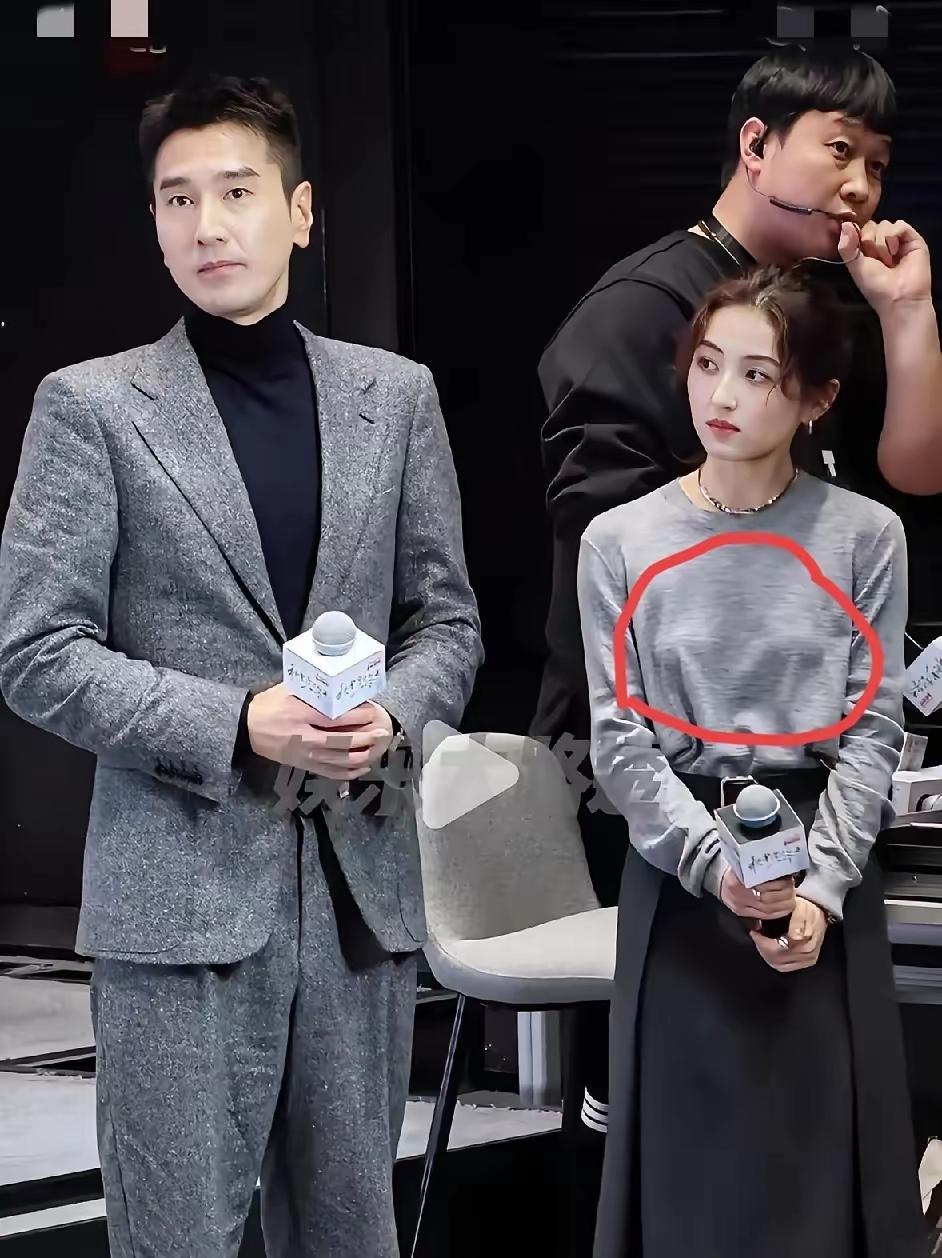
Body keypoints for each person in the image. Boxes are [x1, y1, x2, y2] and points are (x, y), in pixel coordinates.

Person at [0, 73, 482, 1258]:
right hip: (176, 891)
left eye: (236, 192)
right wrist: (236, 721)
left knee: (352, 1234)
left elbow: (448, 621)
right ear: (155, 223)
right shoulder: (91, 407)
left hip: (359, 891)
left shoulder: (395, 398)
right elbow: (37, 651)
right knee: (175, 1236)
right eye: (179, 200)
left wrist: (395, 714)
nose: (207, 224)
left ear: (300, 211)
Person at [531, 43, 942, 1246]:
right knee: (669, 1115)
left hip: (811, 779)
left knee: (820, 1128)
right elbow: (607, 541)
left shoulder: (827, 317)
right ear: (756, 145)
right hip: (659, 761)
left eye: (878, 163)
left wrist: (906, 314)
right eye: (838, 150)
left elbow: (912, 475)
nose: (861, 185)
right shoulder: (640, 307)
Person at [576, 264, 927, 1258]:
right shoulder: (618, 541)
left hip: (824, 863)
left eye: (758, 374)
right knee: (687, 1188)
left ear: (816, 398)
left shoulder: (868, 537)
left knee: (821, 1175)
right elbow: (618, 743)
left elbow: (872, 731)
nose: (721, 395)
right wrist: (711, 866)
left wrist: (818, 890)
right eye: (708, 365)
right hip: (680, 870)